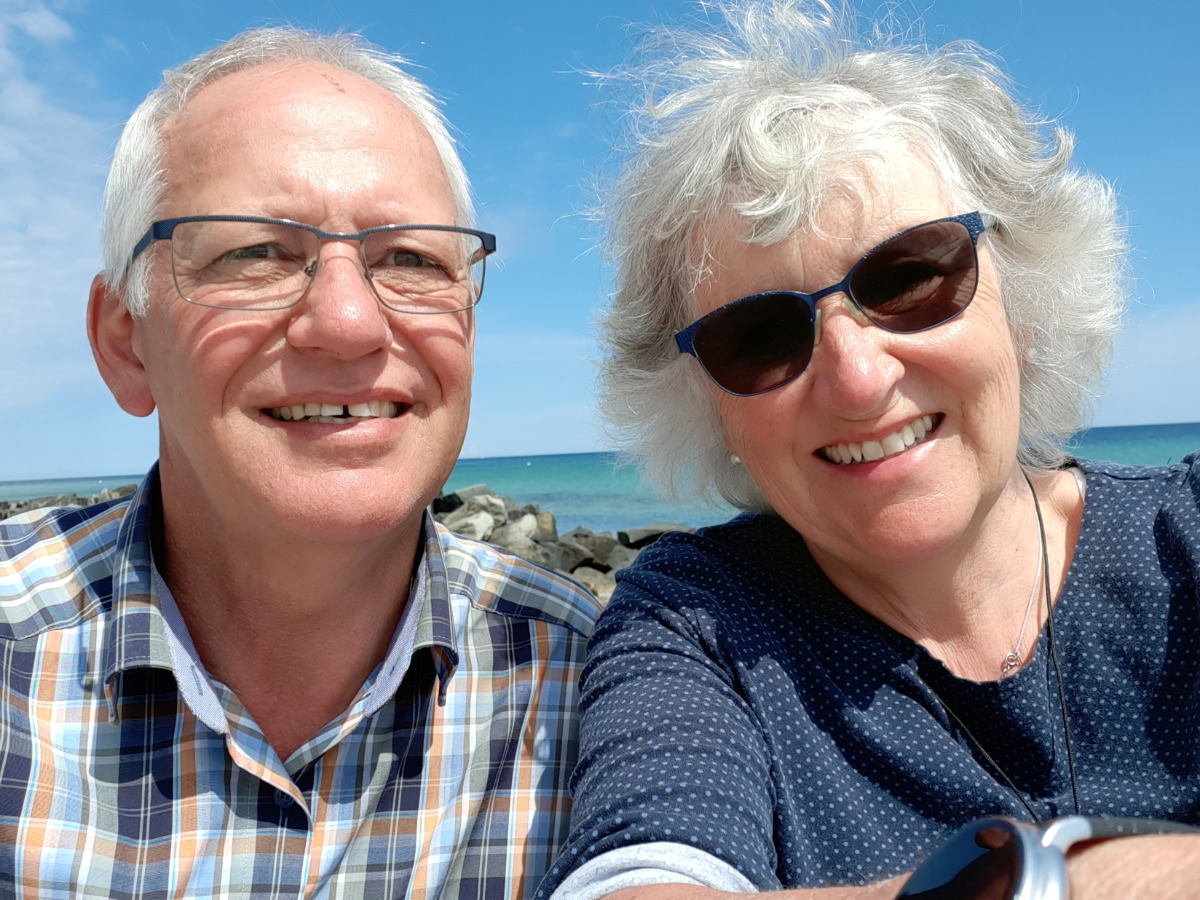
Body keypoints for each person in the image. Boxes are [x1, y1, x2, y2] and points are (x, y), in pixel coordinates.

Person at [536, 2, 1200, 899]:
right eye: (761, 336)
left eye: (911, 278)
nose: (855, 379)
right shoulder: (700, 627)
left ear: (1024, 301)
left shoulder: (1186, 538)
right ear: (712, 409)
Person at [0, 27, 601, 898]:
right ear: (126, 343)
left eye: (411, 258)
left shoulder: (592, 689)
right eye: (255, 253)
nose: (350, 323)